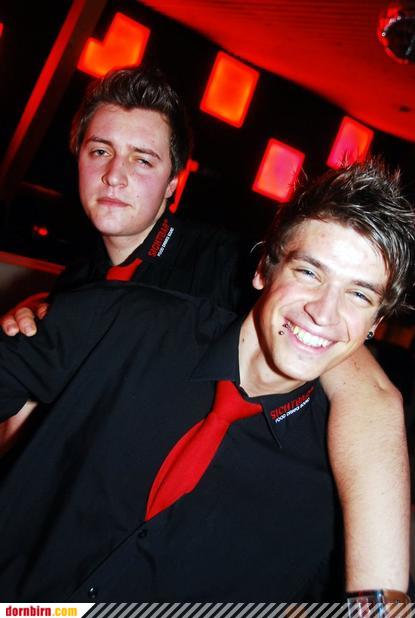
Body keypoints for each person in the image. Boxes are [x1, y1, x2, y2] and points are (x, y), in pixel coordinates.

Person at [0, 67, 410, 593]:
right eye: (99, 151)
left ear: (175, 181)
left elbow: (358, 378)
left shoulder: (224, 263)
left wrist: (379, 595)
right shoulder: (87, 283)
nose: (114, 176)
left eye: (142, 159)